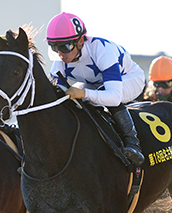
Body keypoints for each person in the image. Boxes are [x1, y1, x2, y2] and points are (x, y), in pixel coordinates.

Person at [47, 12, 145, 166]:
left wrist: (83, 93)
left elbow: (113, 97)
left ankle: (133, 142)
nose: (60, 54)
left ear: (80, 41)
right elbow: (51, 93)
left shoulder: (101, 49)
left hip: (130, 79)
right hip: (95, 84)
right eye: (54, 47)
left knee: (99, 90)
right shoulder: (61, 59)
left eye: (65, 46)